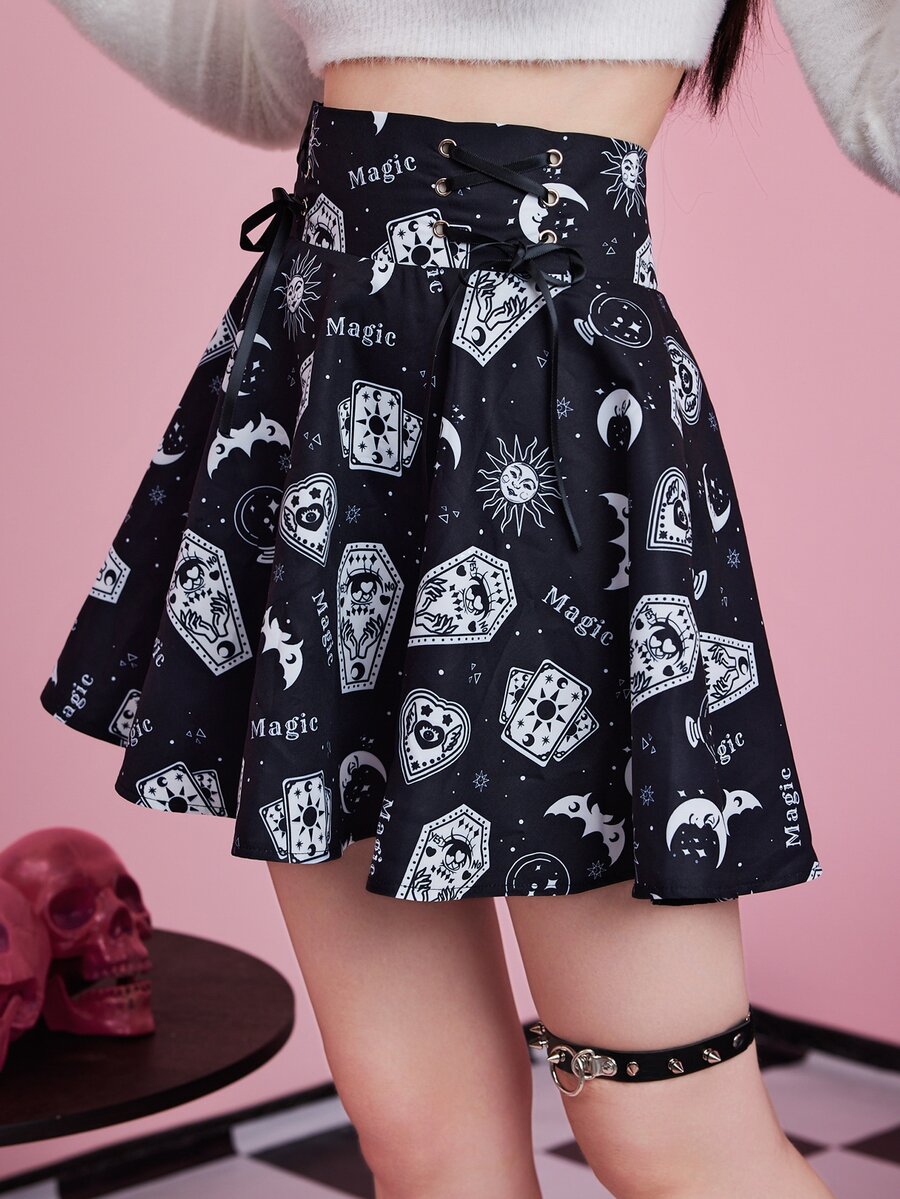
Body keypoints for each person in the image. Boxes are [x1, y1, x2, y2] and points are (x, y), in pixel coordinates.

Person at [38, 2, 898, 1197]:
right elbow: (263, 76)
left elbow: (881, 107)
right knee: (422, 1137)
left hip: (554, 422)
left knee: (669, 1131)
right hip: (324, 396)